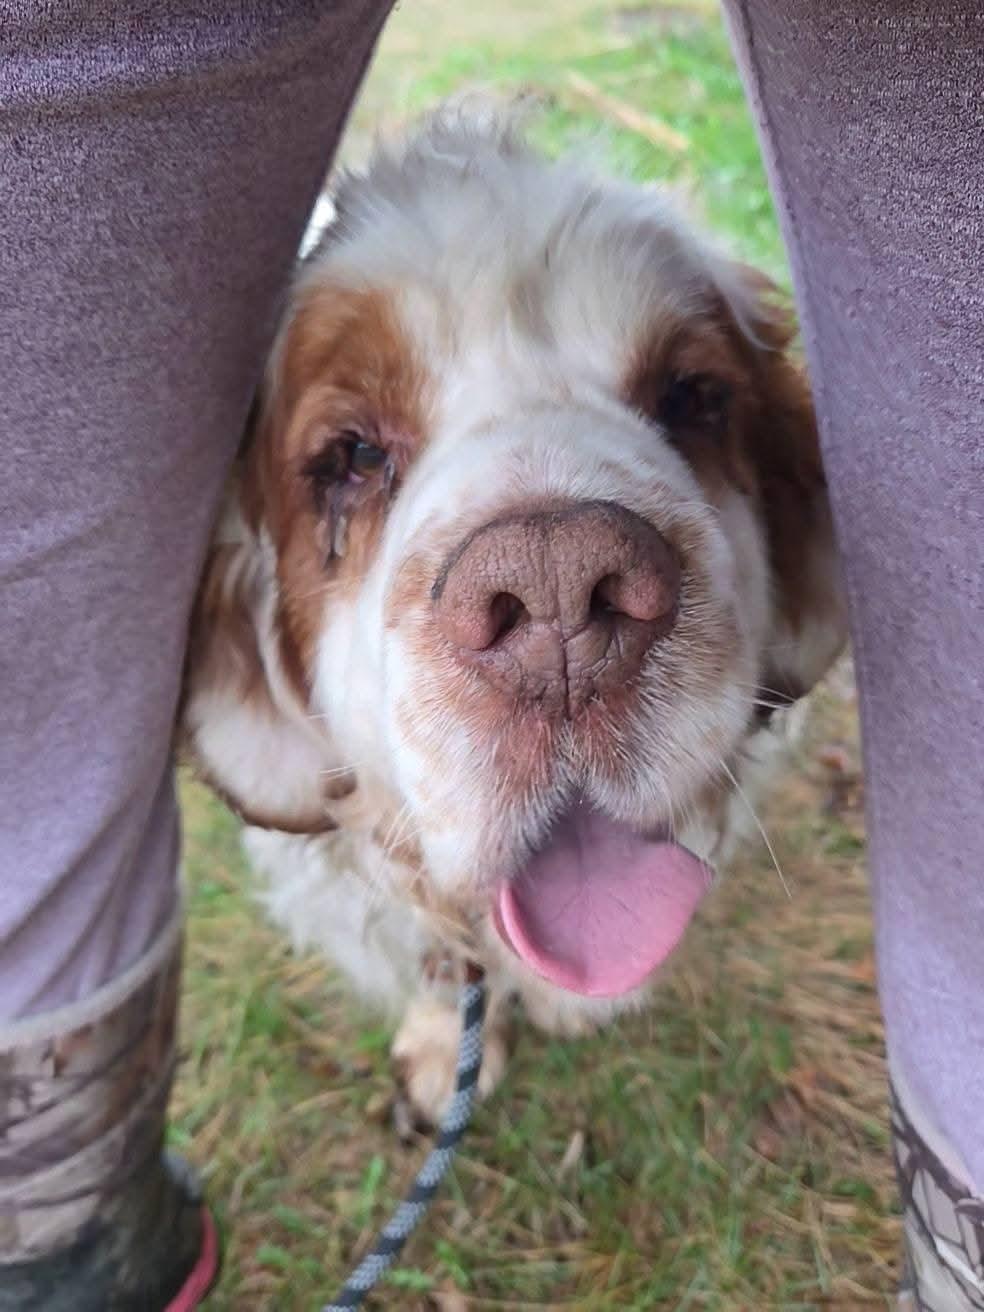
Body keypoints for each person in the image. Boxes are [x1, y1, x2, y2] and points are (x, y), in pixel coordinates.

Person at [0, 2, 980, 1308]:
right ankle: (77, 1210)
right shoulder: (263, 677)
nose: (554, 604)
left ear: (788, 526)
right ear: (262, 642)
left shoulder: (787, 554)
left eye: (682, 405)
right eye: (354, 458)